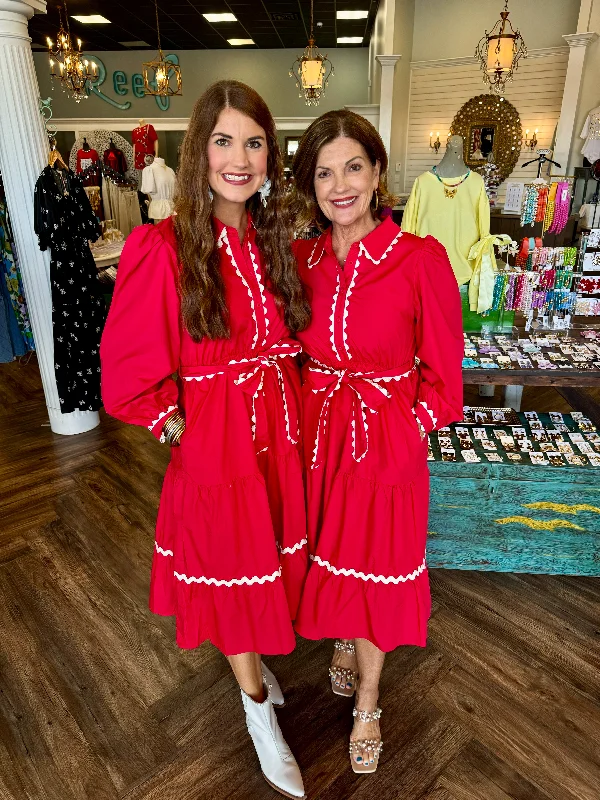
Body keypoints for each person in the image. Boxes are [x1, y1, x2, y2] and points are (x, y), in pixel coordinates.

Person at [100, 80, 311, 800]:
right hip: (219, 445)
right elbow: (128, 365)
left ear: (270, 156)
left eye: (254, 142)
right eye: (224, 140)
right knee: (229, 575)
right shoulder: (162, 246)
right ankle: (257, 715)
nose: (240, 157)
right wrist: (179, 421)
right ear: (199, 151)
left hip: (276, 436)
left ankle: (258, 671)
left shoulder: (275, 241)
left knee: (267, 568)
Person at [290, 110, 463, 774]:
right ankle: (340, 637)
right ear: (310, 183)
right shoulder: (303, 258)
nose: (340, 186)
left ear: (378, 171)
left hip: (383, 441)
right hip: (318, 437)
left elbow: (445, 381)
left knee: (377, 568)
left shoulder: (420, 259)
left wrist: (403, 433)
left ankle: (368, 697)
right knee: (330, 554)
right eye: (324, 172)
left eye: (352, 167)